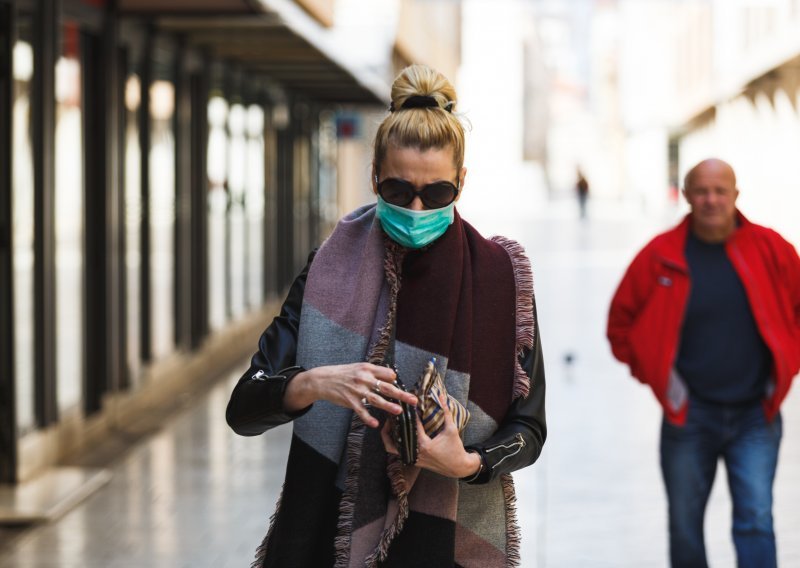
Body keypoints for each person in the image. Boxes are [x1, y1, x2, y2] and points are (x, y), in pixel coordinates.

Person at [226, 64, 547, 568]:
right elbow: (243, 408)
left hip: (444, 543)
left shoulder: (503, 280)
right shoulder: (328, 268)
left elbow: (529, 429)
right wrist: (314, 383)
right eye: (399, 192)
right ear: (374, 176)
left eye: (437, 193)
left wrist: (467, 462)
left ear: (461, 182)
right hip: (328, 535)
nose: (417, 208)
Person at [607, 158, 800, 568]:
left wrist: (787, 363)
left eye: (720, 190)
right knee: (685, 525)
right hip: (689, 417)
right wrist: (659, 377)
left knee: (756, 521)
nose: (711, 199)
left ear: (735, 195)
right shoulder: (660, 255)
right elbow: (619, 325)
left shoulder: (771, 248)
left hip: (756, 415)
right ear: (687, 194)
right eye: (701, 191)